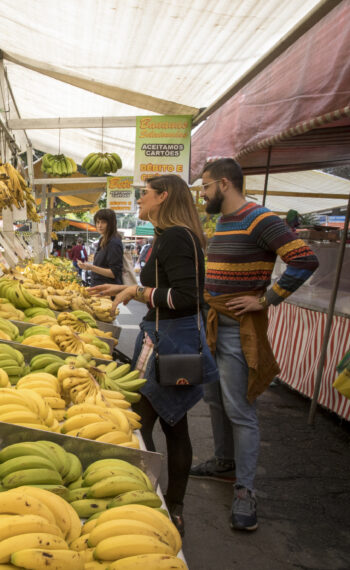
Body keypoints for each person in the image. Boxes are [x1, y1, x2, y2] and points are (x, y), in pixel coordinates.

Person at [89, 174, 219, 537]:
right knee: (162, 423)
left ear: (163, 197)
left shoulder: (177, 236)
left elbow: (187, 297)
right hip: (161, 338)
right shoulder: (172, 235)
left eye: (145, 194)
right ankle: (160, 500)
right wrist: (125, 288)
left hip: (170, 342)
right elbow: (166, 289)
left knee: (156, 423)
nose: (140, 200)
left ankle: (156, 502)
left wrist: (136, 292)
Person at [193, 158, 319, 532]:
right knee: (214, 399)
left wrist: (267, 299)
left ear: (226, 184)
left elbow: (304, 259)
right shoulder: (224, 221)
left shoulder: (259, 218)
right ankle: (223, 461)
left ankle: (246, 490)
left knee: (240, 409)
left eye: (205, 186)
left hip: (236, 327)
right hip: (213, 323)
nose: (203, 194)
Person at [79, 209, 123, 287]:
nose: (99, 225)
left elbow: (114, 273)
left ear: (111, 224)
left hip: (108, 291)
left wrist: (91, 267)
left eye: (103, 222)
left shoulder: (114, 243)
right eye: (98, 222)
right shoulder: (102, 240)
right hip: (99, 288)